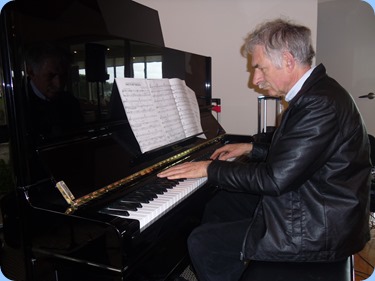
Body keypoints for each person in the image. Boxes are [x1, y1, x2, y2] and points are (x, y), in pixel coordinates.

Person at [158, 18, 372, 281]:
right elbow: (298, 152)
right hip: (317, 202)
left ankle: (225, 262)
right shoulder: (318, 92)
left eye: (260, 68)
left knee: (202, 242)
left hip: (320, 228)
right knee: (221, 203)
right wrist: (252, 147)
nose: (255, 80)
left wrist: (208, 168)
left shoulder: (319, 104)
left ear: (288, 60)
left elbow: (274, 179)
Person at [25, 43, 83, 136]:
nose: (59, 84)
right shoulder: (16, 106)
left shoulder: (71, 102)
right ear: (31, 71)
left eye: (64, 75)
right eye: (50, 75)